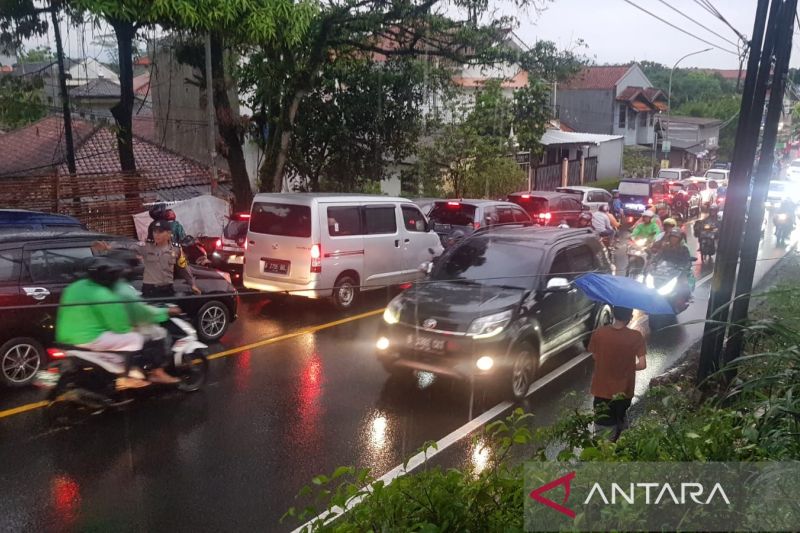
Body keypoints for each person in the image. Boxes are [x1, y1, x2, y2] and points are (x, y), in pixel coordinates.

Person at [55, 257, 180, 387]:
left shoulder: (74, 287)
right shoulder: (104, 294)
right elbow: (120, 327)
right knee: (135, 339)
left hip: (64, 336)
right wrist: (132, 327)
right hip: (89, 338)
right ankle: (126, 377)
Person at [587, 306, 647, 441]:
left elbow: (595, 357)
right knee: (620, 425)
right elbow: (642, 364)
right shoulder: (636, 336)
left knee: (602, 432)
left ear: (613, 314)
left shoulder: (599, 333)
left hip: (602, 391)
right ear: (630, 318)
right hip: (624, 393)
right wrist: (626, 367)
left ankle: (603, 456)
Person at [142, 220, 201, 298]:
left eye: (160, 232)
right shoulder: (146, 247)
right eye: (155, 232)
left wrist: (192, 284)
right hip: (148, 290)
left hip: (166, 290)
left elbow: (183, 267)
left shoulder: (176, 249)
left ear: (169, 233)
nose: (156, 235)